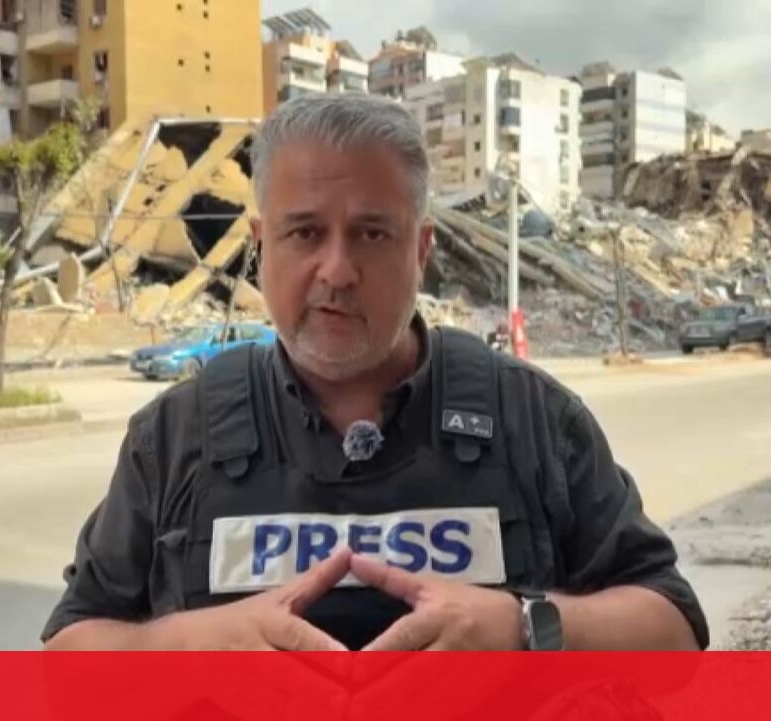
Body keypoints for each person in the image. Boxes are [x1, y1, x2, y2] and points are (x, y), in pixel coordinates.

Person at [41, 94, 708, 652]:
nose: (337, 270)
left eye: (372, 234)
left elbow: (674, 628)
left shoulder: (532, 418)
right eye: (306, 233)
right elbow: (68, 653)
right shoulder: (174, 436)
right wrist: (185, 647)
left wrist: (524, 627)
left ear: (421, 250)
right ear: (262, 245)